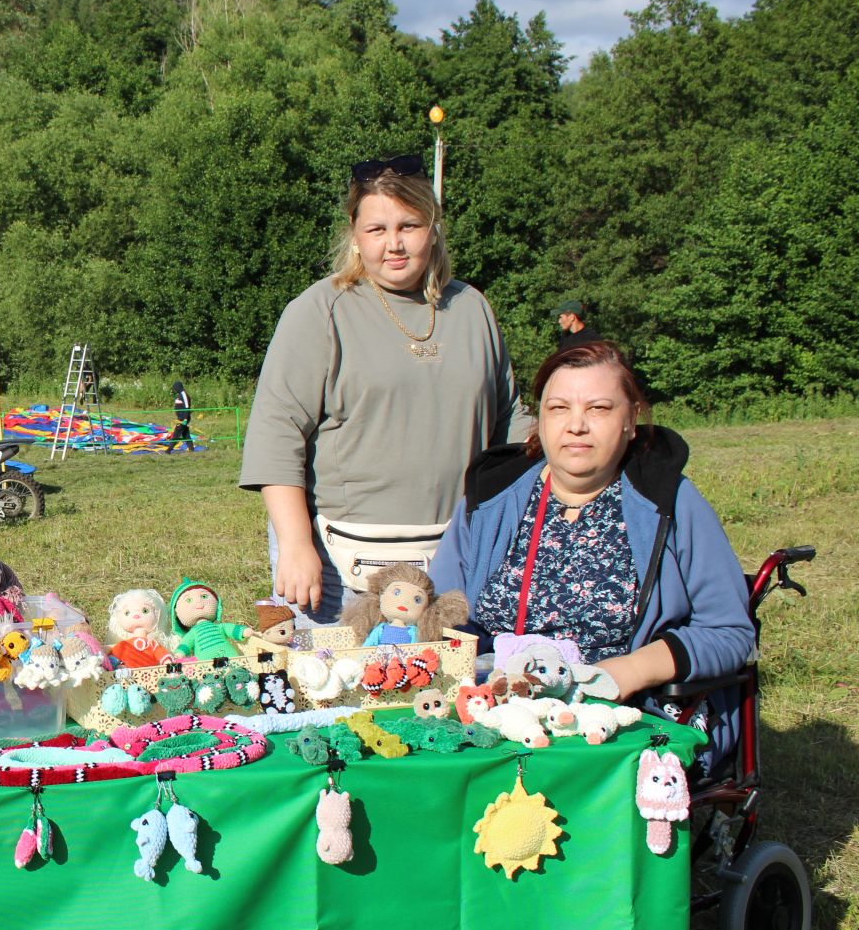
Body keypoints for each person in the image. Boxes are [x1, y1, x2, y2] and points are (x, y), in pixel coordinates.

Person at [240, 153, 531, 625]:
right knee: (344, 691)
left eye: (409, 226)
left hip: (455, 554)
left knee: (447, 692)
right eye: (377, 229)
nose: (394, 244)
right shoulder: (320, 311)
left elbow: (510, 424)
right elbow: (277, 433)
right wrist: (294, 545)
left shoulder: (472, 309)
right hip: (342, 563)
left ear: (433, 229)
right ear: (354, 234)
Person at [432, 339, 755, 764]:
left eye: (599, 408)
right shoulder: (492, 499)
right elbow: (434, 619)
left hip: (619, 725)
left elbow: (729, 632)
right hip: (495, 716)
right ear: (540, 420)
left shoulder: (670, 501)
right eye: (559, 408)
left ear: (631, 419)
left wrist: (628, 671)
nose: (576, 425)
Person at [164, 380, 193, 451]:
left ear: (178, 387)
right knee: (186, 434)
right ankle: (191, 449)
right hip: (180, 418)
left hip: (183, 418)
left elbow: (187, 407)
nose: (175, 390)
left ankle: (168, 450)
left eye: (175, 388)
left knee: (176, 434)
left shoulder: (184, 395)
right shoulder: (179, 394)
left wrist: (185, 419)